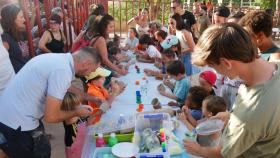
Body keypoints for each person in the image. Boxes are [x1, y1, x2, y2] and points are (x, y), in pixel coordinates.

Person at [184, 23, 280, 157]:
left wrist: (199, 150)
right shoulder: (275, 69)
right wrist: (230, 116)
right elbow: (266, 123)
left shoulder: (249, 114)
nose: (215, 71)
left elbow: (224, 154)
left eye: (212, 66)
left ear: (226, 63)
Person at [0, 47, 101, 158]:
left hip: (6, 114)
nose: (89, 74)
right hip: (18, 123)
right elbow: (51, 117)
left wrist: (91, 98)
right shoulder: (62, 71)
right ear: (85, 63)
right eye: (92, 70)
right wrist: (77, 111)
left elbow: (65, 86)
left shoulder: (58, 59)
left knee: (12, 149)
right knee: (41, 152)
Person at [1, 4, 31, 73]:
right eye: (21, 17)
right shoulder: (5, 39)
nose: (24, 19)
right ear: (11, 19)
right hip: (19, 78)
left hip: (28, 72)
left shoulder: (18, 33)